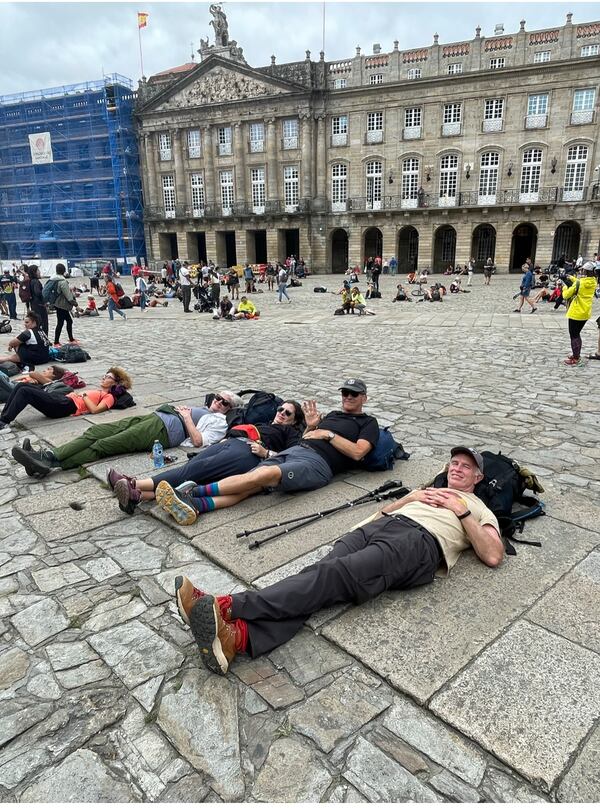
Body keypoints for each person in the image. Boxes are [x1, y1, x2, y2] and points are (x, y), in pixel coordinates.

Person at [174, 446, 504, 675]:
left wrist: (461, 512)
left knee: (332, 574)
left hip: (416, 543)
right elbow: (382, 511)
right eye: (454, 464)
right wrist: (410, 498)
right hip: (376, 528)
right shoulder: (424, 491)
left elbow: (492, 554)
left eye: (466, 467)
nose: (457, 469)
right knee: (320, 579)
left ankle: (224, 606)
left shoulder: (476, 507)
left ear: (477, 478)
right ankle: (238, 639)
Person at [147, 380, 379, 526]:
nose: (348, 397)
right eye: (345, 393)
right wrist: (311, 426)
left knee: (261, 476)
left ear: (364, 398)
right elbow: (307, 436)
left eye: (354, 394)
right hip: (298, 450)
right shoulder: (332, 416)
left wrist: (327, 435)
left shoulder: (368, 422)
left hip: (319, 463)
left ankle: (189, 492)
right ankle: (197, 505)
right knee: (249, 485)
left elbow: (359, 452)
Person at [111, 399, 305, 514]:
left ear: (294, 420)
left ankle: (133, 484)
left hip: (248, 453)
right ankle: (137, 497)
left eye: (288, 413)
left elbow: (294, 456)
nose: (282, 413)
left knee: (193, 471)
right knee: (195, 474)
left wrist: (267, 453)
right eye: (281, 409)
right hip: (230, 444)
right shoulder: (265, 423)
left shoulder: (290, 433)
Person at [12, 389, 237, 477]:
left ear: (230, 409)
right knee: (96, 430)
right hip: (151, 418)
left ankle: (50, 461)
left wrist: (187, 417)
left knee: (104, 444)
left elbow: (198, 442)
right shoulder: (207, 408)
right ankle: (45, 459)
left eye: (224, 402)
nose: (218, 402)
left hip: (160, 430)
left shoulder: (219, 421)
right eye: (217, 397)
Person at [0, 367, 131, 430]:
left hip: (66, 406)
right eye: (104, 375)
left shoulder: (109, 397)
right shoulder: (99, 391)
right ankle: (3, 417)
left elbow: (95, 410)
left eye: (108, 377)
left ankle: (4, 421)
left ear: (115, 383)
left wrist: (83, 395)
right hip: (62, 400)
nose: (104, 378)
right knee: (22, 386)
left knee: (25, 391)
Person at [562, 262, 598, 365]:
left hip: (576, 312)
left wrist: (564, 287)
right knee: (577, 334)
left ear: (585, 271)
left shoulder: (581, 283)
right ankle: (576, 354)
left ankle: (576, 358)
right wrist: (572, 278)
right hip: (585, 312)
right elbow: (580, 283)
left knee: (574, 335)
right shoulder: (593, 281)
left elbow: (566, 295)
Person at [0, 365, 66, 404]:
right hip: (11, 388)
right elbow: (13, 381)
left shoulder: (49, 381)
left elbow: (32, 373)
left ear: (54, 375)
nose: (44, 370)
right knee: (4, 376)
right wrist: (26, 377)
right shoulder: (38, 378)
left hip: (14, 392)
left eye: (48, 369)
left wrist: (31, 376)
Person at [49, 263, 77, 345]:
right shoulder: (63, 281)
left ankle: (70, 339)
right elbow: (68, 296)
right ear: (64, 271)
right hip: (62, 305)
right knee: (61, 322)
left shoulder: (54, 279)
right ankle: (56, 341)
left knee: (68, 321)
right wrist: (75, 304)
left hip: (57, 304)